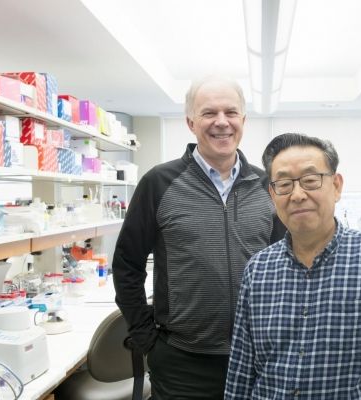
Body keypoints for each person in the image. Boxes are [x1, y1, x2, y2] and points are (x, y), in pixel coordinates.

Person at [112, 76, 284, 399]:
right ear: (191, 122)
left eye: (231, 112)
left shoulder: (268, 186)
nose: (222, 122)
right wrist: (147, 339)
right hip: (182, 364)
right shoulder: (159, 183)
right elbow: (126, 265)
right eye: (209, 113)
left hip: (259, 358)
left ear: (243, 120)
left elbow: (286, 266)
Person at [225, 133, 361, 399]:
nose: (297, 195)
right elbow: (241, 371)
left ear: (336, 186)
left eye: (310, 180)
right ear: (272, 194)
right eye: (284, 184)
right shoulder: (258, 270)